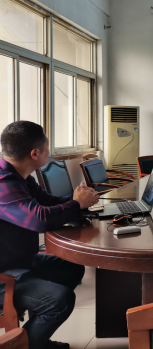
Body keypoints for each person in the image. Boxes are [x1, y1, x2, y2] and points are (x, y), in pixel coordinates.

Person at [0, 121, 99, 349]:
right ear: (35, 153)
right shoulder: (4, 184)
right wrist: (76, 204)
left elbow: (48, 202)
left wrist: (77, 199)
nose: (49, 151)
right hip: (4, 273)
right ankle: (24, 345)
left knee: (72, 267)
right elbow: (39, 219)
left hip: (18, 261)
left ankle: (37, 338)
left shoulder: (20, 176)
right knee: (59, 301)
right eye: (47, 146)